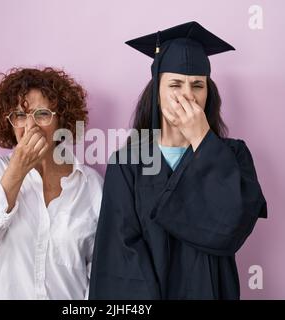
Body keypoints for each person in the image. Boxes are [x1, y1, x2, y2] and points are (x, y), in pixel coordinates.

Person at [89, 21, 267, 299]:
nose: (187, 95)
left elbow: (235, 224)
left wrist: (202, 140)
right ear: (157, 92)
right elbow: (120, 254)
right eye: (175, 84)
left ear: (208, 94)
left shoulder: (233, 154)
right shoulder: (128, 162)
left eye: (198, 85)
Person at [0, 67, 103, 299]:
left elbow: (99, 272)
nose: (30, 126)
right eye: (19, 115)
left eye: (43, 114)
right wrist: (16, 170)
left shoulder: (91, 185)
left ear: (61, 121)